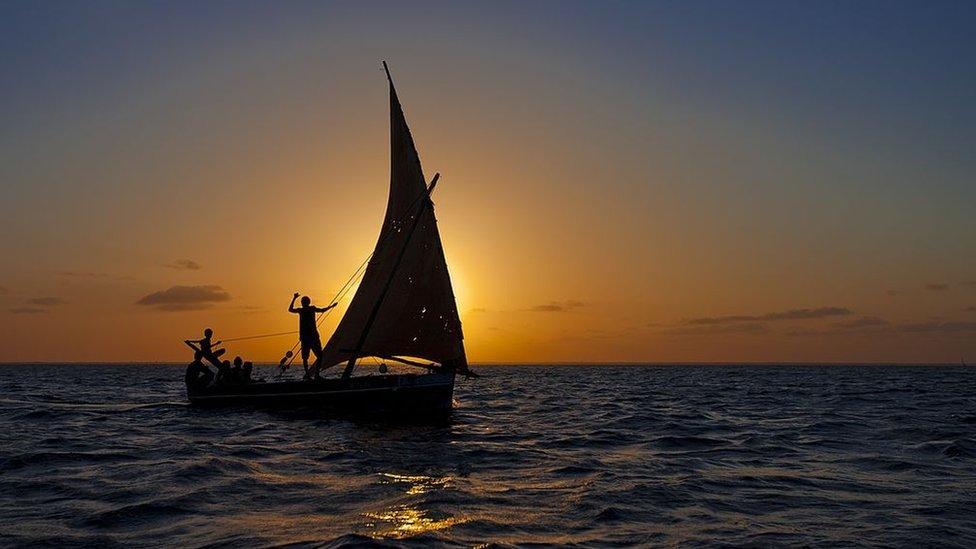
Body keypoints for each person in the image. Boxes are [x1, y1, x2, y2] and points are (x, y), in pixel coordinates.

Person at [288, 292, 337, 380]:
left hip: (309, 337)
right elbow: (322, 310)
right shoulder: (307, 309)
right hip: (310, 337)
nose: (304, 303)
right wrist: (331, 306)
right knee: (314, 356)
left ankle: (312, 375)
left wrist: (294, 298)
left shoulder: (305, 310)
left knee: (310, 357)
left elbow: (290, 309)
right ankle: (313, 375)